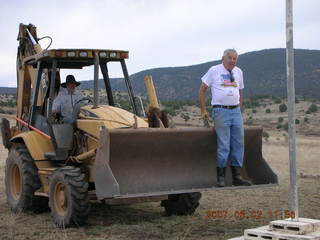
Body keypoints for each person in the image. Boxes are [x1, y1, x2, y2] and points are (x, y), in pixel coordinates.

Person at [198, 49, 251, 187]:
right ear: (223, 58)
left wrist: (239, 107)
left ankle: (237, 177)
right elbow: (202, 89)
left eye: (235, 58)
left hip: (235, 112)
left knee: (239, 144)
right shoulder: (214, 70)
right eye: (230, 58)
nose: (232, 60)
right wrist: (203, 110)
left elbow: (240, 91)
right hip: (221, 111)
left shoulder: (239, 72)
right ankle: (220, 179)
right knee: (224, 145)